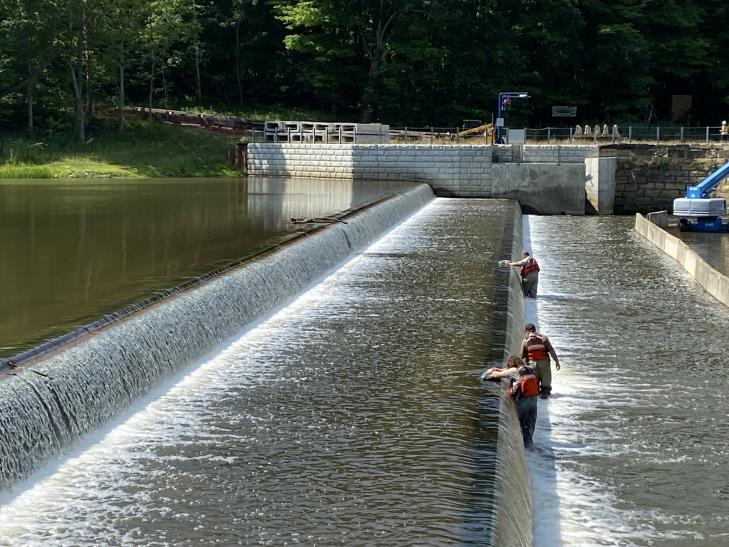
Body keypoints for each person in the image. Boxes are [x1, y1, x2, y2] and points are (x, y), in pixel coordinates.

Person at [483, 355, 539, 448]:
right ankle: (530, 447)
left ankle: (526, 449)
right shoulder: (529, 368)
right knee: (530, 425)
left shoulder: (513, 371)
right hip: (533, 400)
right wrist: (498, 368)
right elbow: (507, 371)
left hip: (523, 401)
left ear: (512, 365)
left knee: (523, 425)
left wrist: (490, 371)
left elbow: (497, 375)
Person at [520, 323, 560, 399]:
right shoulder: (544, 338)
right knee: (546, 381)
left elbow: (522, 355)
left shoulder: (525, 341)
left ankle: (536, 394)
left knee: (535, 383)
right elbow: (551, 350)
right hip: (544, 363)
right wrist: (557, 361)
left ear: (528, 331)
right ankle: (545, 395)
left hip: (532, 364)